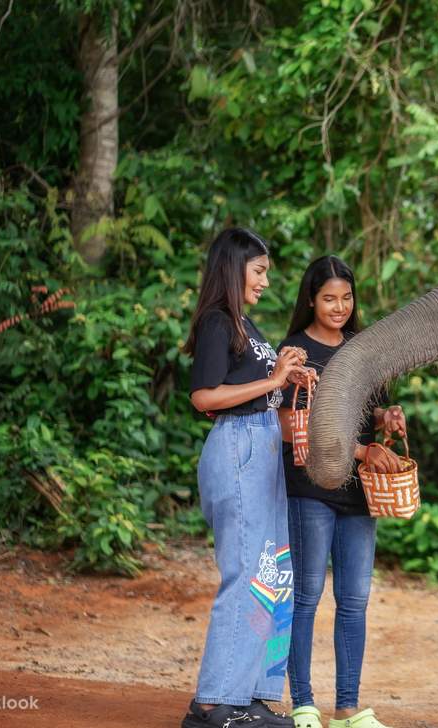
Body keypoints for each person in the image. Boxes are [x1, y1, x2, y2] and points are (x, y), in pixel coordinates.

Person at [181, 227, 311, 728]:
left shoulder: (247, 325)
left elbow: (257, 392)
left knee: (273, 575)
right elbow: (205, 397)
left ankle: (251, 693)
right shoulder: (218, 321)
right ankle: (214, 702)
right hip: (237, 447)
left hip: (262, 448)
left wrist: (285, 376)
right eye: (259, 271)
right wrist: (273, 379)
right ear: (234, 269)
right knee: (245, 574)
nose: (265, 282)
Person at [277, 255, 406, 728]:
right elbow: (292, 429)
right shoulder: (293, 351)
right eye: (329, 298)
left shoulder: (360, 349)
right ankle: (304, 703)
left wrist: (385, 420)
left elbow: (366, 411)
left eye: (346, 298)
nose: (339, 307)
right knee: (307, 595)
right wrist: (359, 450)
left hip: (359, 495)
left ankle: (348, 708)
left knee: (354, 600)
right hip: (310, 489)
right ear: (310, 299)